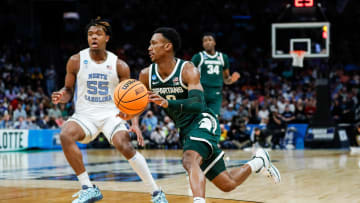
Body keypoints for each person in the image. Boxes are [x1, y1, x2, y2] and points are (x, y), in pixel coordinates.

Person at [122, 27, 280, 203]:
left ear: (168, 46)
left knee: (189, 160)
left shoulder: (188, 69)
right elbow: (138, 102)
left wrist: (167, 103)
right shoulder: (146, 75)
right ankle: (259, 161)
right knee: (227, 183)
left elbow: (197, 104)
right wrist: (134, 122)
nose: (149, 48)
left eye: (153, 43)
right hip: (185, 130)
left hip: (203, 120)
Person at [51, 17, 167, 203]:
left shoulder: (120, 66)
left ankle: (156, 192)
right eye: (90, 34)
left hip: (111, 115)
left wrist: (134, 123)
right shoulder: (75, 61)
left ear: (107, 38)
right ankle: (88, 188)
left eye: (98, 34)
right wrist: (62, 95)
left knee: (125, 145)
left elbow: (132, 99)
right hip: (85, 115)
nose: (93, 37)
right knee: (65, 134)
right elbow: (68, 90)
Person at [191, 32, 240, 116]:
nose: (207, 42)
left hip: (216, 94)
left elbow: (226, 80)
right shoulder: (198, 57)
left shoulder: (222, 57)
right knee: (199, 119)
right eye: (205, 41)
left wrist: (232, 79)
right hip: (201, 92)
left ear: (214, 42)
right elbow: (188, 75)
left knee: (213, 119)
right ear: (203, 44)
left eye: (210, 40)